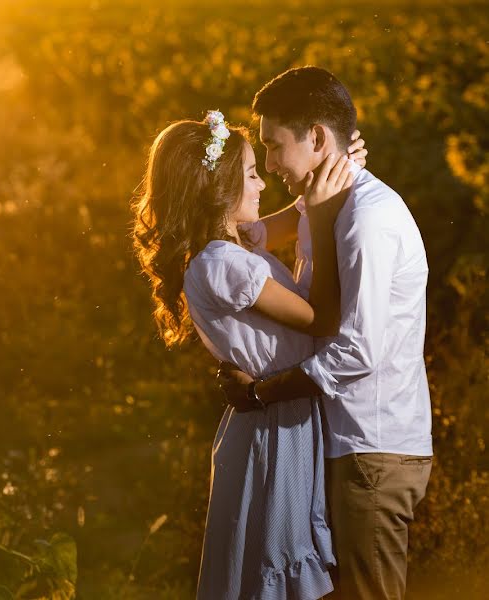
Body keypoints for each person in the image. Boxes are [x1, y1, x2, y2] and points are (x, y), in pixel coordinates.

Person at [131, 109, 364, 598]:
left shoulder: (225, 249)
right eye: (253, 175)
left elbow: (281, 221)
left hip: (280, 419)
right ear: (218, 190)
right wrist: (321, 216)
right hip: (274, 429)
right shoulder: (225, 264)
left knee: (276, 563)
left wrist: (331, 172)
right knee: (276, 565)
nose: (263, 185)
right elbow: (321, 319)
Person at [219, 66, 433, 599]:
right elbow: (263, 231)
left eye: (274, 146)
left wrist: (261, 392)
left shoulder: (366, 218)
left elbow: (357, 350)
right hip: (345, 441)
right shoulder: (324, 206)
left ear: (316, 138)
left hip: (372, 448)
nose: (268, 164)